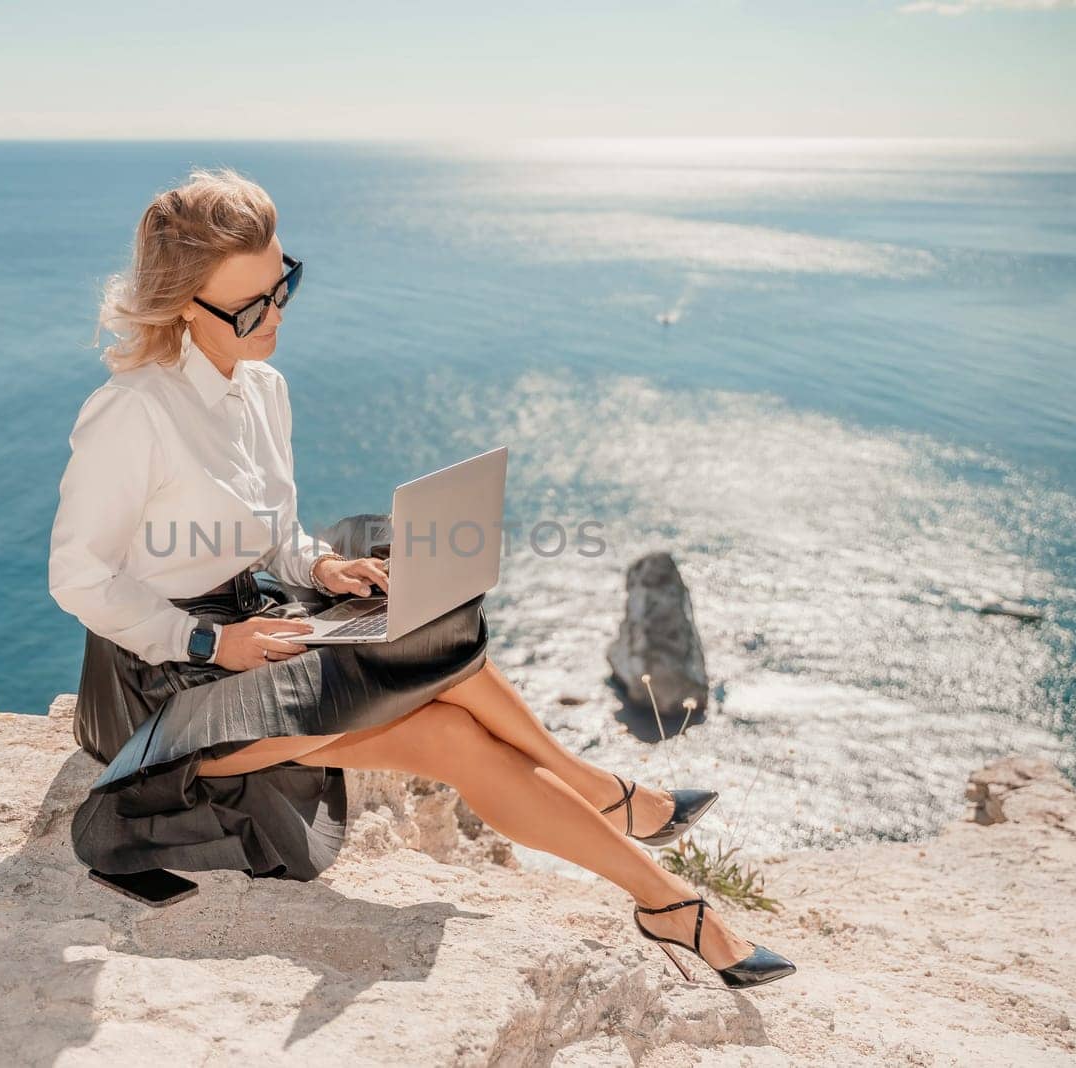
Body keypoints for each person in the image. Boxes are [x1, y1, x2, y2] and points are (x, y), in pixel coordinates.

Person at [48, 167, 794, 989]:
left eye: (282, 284)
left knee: (446, 720)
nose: (277, 315)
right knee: (433, 645)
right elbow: (78, 575)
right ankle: (610, 793)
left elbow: (272, 535)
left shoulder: (262, 388)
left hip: (252, 636)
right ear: (186, 305)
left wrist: (322, 565)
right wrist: (207, 641)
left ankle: (667, 902)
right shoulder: (133, 411)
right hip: (161, 691)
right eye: (251, 305)